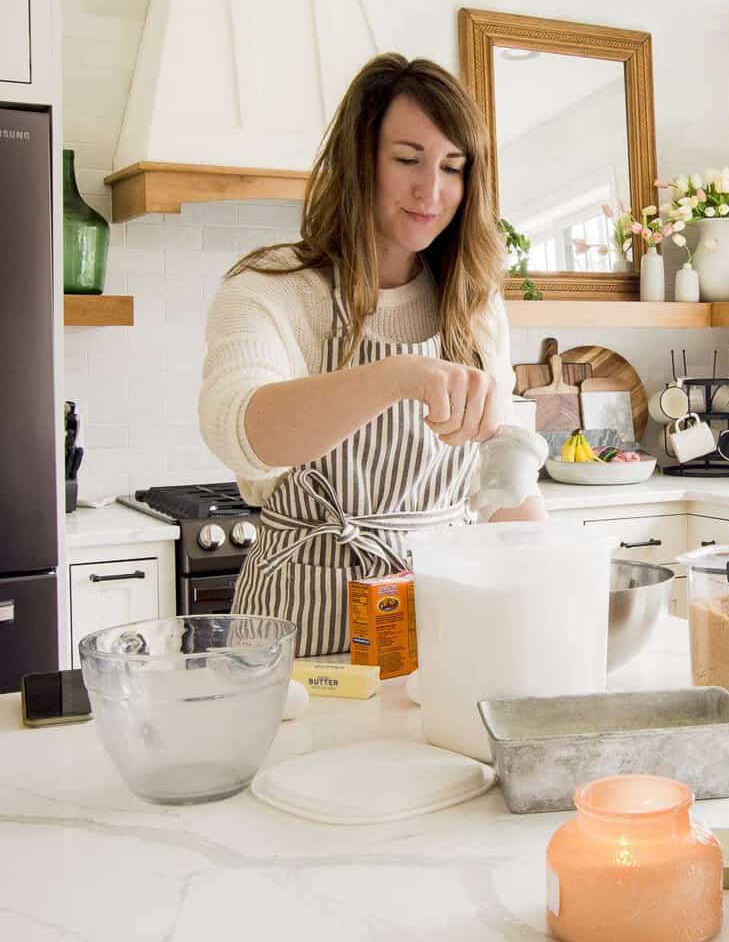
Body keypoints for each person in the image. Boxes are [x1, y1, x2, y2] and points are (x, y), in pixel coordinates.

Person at [199, 53, 544, 656]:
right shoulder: (271, 288)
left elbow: (500, 477)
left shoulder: (471, 302)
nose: (430, 190)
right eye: (407, 159)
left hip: (441, 609)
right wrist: (397, 376)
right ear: (361, 163)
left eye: (453, 167)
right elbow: (240, 430)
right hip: (299, 624)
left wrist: (551, 581)